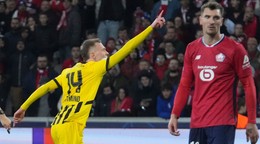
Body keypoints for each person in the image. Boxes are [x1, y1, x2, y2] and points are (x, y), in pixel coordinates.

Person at [13, 11, 165, 143]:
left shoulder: (68, 71)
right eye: (103, 50)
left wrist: (23, 107)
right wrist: (150, 27)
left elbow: (45, 87)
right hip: (71, 127)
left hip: (58, 126)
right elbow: (128, 47)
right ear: (93, 55)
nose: (106, 53)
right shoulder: (96, 68)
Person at [168, 2, 259, 144]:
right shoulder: (192, 48)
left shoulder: (235, 49)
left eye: (216, 18)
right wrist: (175, 114)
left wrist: (252, 121)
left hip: (223, 122)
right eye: (208, 17)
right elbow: (184, 85)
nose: (211, 21)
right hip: (197, 122)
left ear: (221, 21)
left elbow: (248, 84)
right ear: (200, 20)